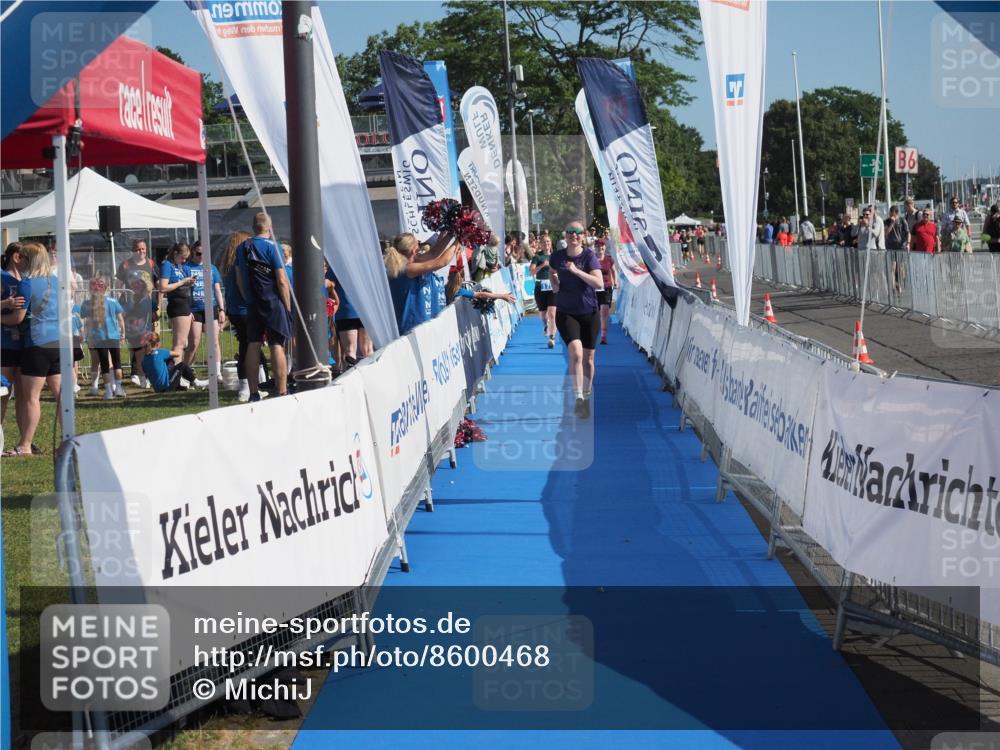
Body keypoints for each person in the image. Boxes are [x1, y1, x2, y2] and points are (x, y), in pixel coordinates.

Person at [4, 243, 61, 456]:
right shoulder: (57, 281)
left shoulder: (28, 283)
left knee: (31, 397)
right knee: (61, 395)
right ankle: (67, 441)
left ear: (30, 260)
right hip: (60, 343)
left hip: (37, 343)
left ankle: (25, 444)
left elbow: (16, 318)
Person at [550, 221, 604, 419]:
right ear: (565, 235)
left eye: (578, 233)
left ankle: (587, 394)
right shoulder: (557, 256)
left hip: (589, 312)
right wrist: (554, 281)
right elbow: (552, 271)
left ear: (583, 236)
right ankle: (579, 398)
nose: (574, 235)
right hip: (566, 312)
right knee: (577, 354)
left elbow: (599, 283)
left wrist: (576, 271)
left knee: (589, 360)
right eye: (570, 232)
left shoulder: (589, 256)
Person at [236, 212, 292, 401]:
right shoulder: (272, 247)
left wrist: (248, 298)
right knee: (277, 344)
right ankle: (282, 390)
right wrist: (288, 305)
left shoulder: (242, 247)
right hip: (273, 302)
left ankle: (253, 392)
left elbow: (239, 277)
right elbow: (282, 280)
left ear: (253, 227)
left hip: (252, 304)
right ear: (270, 227)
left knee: (253, 344)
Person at [385, 232, 458, 335]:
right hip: (413, 329)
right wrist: (460, 239)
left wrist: (452, 232)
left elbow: (434, 253)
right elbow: (442, 262)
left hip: (417, 326)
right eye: (417, 244)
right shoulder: (408, 269)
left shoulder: (409, 263)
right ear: (414, 250)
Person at [217, 231, 253, 401]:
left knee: (247, 347)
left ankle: (252, 383)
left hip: (235, 309)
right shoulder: (239, 264)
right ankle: (245, 387)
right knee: (247, 348)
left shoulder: (228, 264)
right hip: (243, 309)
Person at [80, 275, 126, 400]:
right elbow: (121, 320)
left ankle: (109, 392)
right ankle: (119, 388)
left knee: (104, 365)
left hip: (98, 338)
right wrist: (123, 334)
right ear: (106, 288)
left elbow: (87, 322)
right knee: (117, 363)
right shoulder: (113, 301)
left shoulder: (87, 303)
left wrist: (88, 337)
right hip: (113, 336)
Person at [183, 240, 225, 376]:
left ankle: (217, 372)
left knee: (214, 341)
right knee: (194, 343)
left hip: (211, 307)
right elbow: (182, 289)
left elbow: (217, 290)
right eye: (199, 253)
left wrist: (222, 309)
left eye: (204, 253)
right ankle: (184, 372)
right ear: (193, 252)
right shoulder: (186, 267)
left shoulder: (212, 268)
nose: (201, 256)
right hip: (194, 309)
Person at [158, 242, 196, 361]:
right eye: (182, 257)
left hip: (185, 306)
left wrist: (188, 282)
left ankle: (177, 372)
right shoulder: (167, 265)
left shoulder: (179, 266)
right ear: (175, 253)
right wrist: (182, 282)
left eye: (186, 258)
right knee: (179, 344)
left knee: (182, 343)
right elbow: (163, 287)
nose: (184, 261)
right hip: (177, 305)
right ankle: (175, 375)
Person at [1, 243, 26, 425]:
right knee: (3, 393)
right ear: (16, 257)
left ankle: (24, 441)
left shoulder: (26, 278)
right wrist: (6, 304)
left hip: (26, 343)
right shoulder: (1, 277)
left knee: (24, 395)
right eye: (25, 256)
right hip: (5, 343)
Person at [140, 332, 208, 393]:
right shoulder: (160, 352)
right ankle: (196, 383)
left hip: (157, 390)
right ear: (158, 344)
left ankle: (179, 385)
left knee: (168, 363)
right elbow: (177, 354)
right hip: (167, 387)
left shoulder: (144, 360)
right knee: (182, 365)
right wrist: (184, 347)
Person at [123, 273, 156, 388]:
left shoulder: (145, 299)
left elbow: (153, 315)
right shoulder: (131, 299)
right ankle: (142, 380)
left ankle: (142, 378)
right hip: (137, 331)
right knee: (140, 356)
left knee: (142, 355)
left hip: (142, 330)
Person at [116, 238, 159, 311]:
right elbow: (118, 287)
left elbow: (159, 286)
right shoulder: (125, 265)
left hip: (148, 305)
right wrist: (120, 305)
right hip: (130, 306)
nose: (141, 251)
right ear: (133, 250)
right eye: (138, 249)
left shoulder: (151, 264)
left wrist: (159, 305)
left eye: (143, 249)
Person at [530, 234, 557, 348]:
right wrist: (542, 265)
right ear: (541, 244)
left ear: (551, 243)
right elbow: (531, 272)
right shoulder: (537, 257)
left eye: (548, 242)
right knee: (543, 314)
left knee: (552, 313)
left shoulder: (555, 256)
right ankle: (545, 325)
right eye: (544, 242)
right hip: (540, 287)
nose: (546, 244)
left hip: (553, 287)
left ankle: (552, 338)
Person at [595, 239, 618, 345]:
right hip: (594, 287)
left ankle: (603, 336)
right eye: (598, 247)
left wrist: (616, 281)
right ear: (595, 248)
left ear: (605, 248)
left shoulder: (609, 259)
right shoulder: (592, 259)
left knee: (604, 311)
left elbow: (613, 271)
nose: (600, 249)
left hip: (606, 287)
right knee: (595, 312)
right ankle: (594, 332)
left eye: (602, 246)